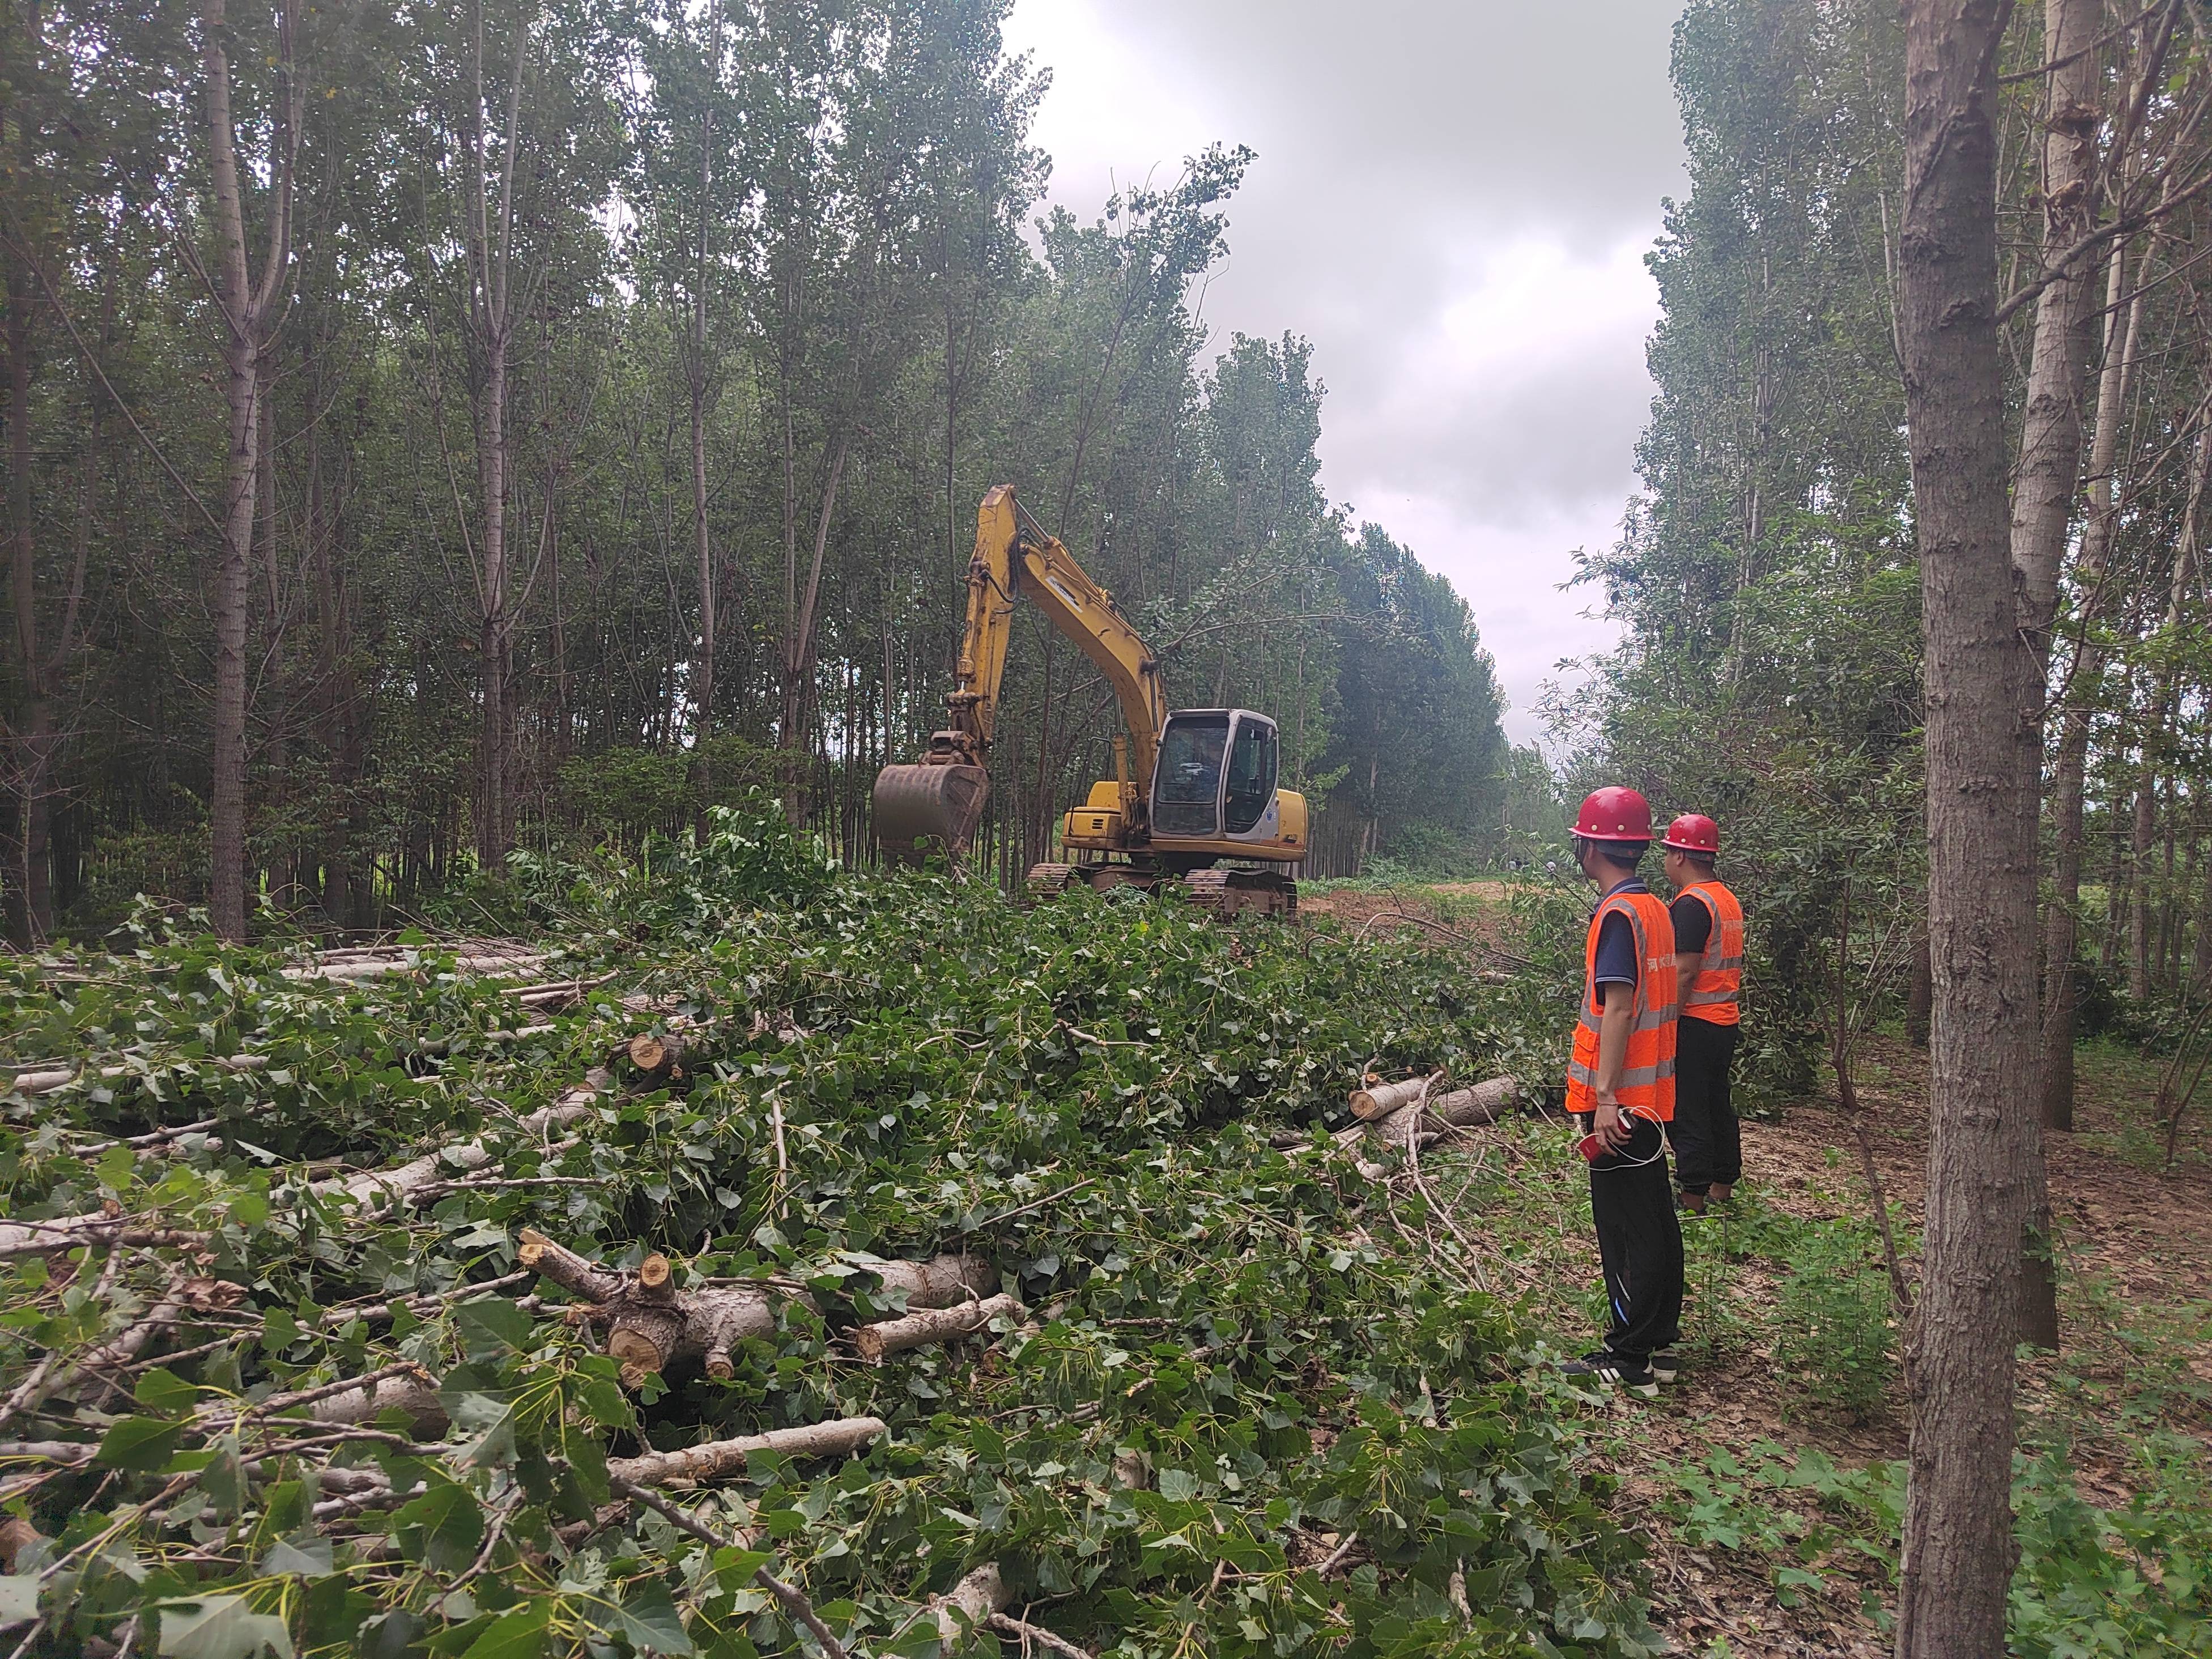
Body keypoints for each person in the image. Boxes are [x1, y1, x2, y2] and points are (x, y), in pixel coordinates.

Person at [1557, 786, 1684, 1393]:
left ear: (1589, 846)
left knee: (1626, 1228)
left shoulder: (1617, 915)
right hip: (1650, 1098)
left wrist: (1604, 1098)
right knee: (1654, 1218)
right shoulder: (1655, 908)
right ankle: (1657, 1343)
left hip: (1622, 1107)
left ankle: (1629, 1358)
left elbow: (1619, 1008)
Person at [1661, 814, 1743, 1214]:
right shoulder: (1725, 898)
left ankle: (1691, 1196)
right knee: (1716, 1103)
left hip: (1694, 1022)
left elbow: (1686, 970)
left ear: (1680, 856)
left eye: (1667, 851)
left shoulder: (1691, 905)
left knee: (1688, 1109)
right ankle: (1722, 1183)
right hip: (1724, 1022)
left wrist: (1665, 1021)